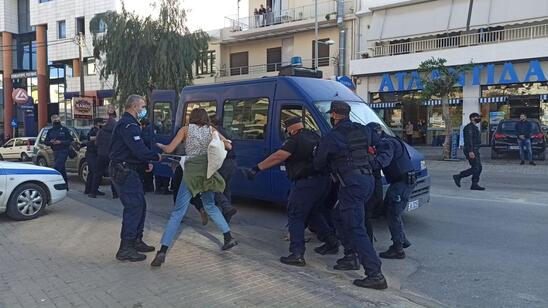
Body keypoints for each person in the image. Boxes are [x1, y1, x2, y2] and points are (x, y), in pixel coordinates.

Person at [243, 116, 339, 267]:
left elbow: (279, 156)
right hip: (324, 182)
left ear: (291, 128)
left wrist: (257, 168)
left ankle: (297, 254)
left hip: (306, 183)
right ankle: (331, 242)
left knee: (296, 215)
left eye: (287, 129)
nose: (286, 131)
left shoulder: (294, 140)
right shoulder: (314, 136)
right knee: (313, 212)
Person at [313, 101, 387, 290]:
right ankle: (350, 256)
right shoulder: (363, 130)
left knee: (356, 227)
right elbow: (385, 144)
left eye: (332, 115)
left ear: (335, 115)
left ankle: (374, 273)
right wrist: (375, 163)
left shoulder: (333, 136)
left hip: (351, 184)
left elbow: (319, 163)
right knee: (338, 215)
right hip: (368, 180)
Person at [150, 108, 237, 267]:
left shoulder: (185, 130)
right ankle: (228, 237)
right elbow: (228, 147)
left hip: (191, 174)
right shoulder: (211, 130)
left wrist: (161, 146)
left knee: (177, 213)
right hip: (208, 173)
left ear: (192, 117)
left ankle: (162, 251)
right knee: (210, 205)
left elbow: (169, 150)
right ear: (205, 118)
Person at [109, 95, 161, 262]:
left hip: (129, 168)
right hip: (124, 170)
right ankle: (125, 248)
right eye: (142, 107)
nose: (144, 110)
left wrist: (145, 163)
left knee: (140, 205)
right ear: (134, 107)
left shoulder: (131, 124)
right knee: (134, 207)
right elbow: (138, 150)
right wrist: (155, 157)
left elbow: (133, 151)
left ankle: (136, 240)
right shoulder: (128, 124)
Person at [366, 122, 416, 259]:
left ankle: (398, 248)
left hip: (401, 183)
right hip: (402, 181)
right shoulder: (392, 140)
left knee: (393, 213)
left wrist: (367, 161)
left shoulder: (385, 144)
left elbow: (381, 162)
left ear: (374, 134)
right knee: (389, 210)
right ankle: (401, 239)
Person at [453, 113, 485, 191]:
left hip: (475, 149)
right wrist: (471, 151)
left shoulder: (474, 127)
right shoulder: (469, 128)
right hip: (471, 150)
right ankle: (459, 176)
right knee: (476, 167)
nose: (479, 119)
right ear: (472, 118)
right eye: (477, 117)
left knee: (478, 167)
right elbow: (469, 140)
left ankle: (474, 184)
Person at [91, 110, 118, 199]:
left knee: (97, 173)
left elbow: (96, 143)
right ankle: (115, 194)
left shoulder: (101, 131)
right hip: (112, 155)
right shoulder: (116, 131)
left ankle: (93, 192)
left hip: (101, 154)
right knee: (113, 174)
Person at [44, 114, 74, 185]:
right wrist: (51, 142)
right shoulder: (50, 131)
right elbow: (46, 141)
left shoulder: (65, 130)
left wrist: (61, 142)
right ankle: (65, 185)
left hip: (64, 151)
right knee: (62, 169)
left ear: (60, 120)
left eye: (57, 120)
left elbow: (70, 140)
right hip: (55, 151)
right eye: (54, 120)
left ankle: (52, 184)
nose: (56, 121)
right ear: (52, 121)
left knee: (57, 167)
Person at [84, 118, 105, 196]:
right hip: (91, 153)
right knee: (95, 172)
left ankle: (90, 189)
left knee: (92, 172)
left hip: (94, 153)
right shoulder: (94, 130)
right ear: (98, 124)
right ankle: (92, 190)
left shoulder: (98, 130)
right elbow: (90, 139)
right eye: (102, 123)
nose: (103, 125)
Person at [140, 118, 155, 192]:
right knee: (149, 171)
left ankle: (146, 186)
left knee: (145, 171)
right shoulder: (151, 129)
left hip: (145, 152)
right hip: (149, 152)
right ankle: (150, 186)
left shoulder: (144, 131)